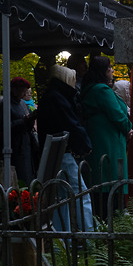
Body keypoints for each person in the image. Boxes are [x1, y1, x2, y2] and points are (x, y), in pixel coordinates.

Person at [37, 65, 94, 232]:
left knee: (61, 197)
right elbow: (71, 124)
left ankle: (63, 238)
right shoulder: (58, 99)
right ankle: (90, 236)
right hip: (62, 153)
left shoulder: (52, 97)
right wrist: (85, 144)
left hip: (55, 152)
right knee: (80, 194)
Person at [81, 56, 133, 215]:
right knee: (111, 183)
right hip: (110, 144)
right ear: (103, 71)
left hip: (102, 143)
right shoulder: (102, 90)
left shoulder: (90, 89)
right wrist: (128, 127)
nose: (112, 70)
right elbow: (117, 113)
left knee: (102, 183)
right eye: (109, 68)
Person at [8, 77, 38, 185]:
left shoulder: (22, 103)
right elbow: (4, 127)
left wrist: (31, 118)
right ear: (14, 89)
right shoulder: (6, 104)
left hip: (26, 145)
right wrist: (23, 121)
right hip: (15, 147)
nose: (25, 93)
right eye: (23, 90)